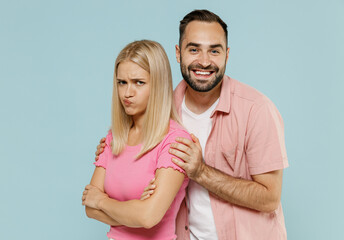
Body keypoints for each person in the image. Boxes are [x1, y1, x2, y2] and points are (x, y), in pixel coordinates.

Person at [95, 9, 289, 240]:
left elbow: (270, 198)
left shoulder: (256, 110)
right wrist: (115, 150)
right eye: (194, 49)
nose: (204, 61)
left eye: (214, 51)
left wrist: (201, 172)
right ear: (178, 53)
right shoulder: (162, 110)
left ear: (227, 55)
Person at [82, 40, 191, 240]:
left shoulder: (175, 141)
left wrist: (103, 202)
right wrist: (134, 209)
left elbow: (149, 217)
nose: (127, 93)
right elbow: (89, 207)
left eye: (138, 82)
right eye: (122, 82)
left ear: (158, 85)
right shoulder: (114, 138)